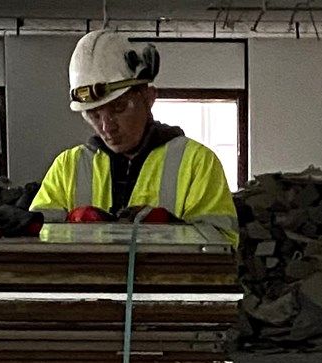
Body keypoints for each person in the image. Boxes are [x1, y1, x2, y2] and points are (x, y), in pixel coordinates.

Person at [30, 31, 239, 247]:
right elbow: (35, 236)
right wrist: (67, 224)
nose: (106, 126)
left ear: (148, 98)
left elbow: (223, 246)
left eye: (119, 107)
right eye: (94, 114)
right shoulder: (68, 167)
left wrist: (170, 227)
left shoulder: (197, 163)